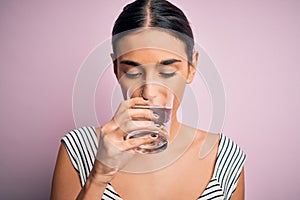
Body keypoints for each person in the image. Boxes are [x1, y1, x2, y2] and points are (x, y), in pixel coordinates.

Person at [51, 0, 246, 199]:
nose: (149, 92)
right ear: (116, 69)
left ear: (191, 67)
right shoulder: (78, 149)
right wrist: (99, 177)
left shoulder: (224, 157)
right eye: (133, 73)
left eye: (167, 72)